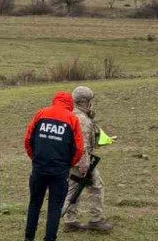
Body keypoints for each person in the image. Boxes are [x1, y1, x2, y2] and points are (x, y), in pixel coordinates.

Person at [23, 91, 84, 241]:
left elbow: (28, 140)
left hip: (39, 168)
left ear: (54, 100)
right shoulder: (72, 119)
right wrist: (69, 164)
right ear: (70, 103)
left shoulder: (40, 114)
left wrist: (35, 158)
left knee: (34, 204)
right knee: (55, 208)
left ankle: (28, 237)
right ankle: (49, 238)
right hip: (60, 171)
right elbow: (79, 148)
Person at [62, 86, 113, 233]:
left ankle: (70, 221)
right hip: (81, 161)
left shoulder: (71, 114)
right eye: (90, 101)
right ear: (85, 102)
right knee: (96, 186)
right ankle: (95, 220)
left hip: (71, 160)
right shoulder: (82, 120)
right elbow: (82, 145)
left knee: (72, 190)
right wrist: (84, 165)